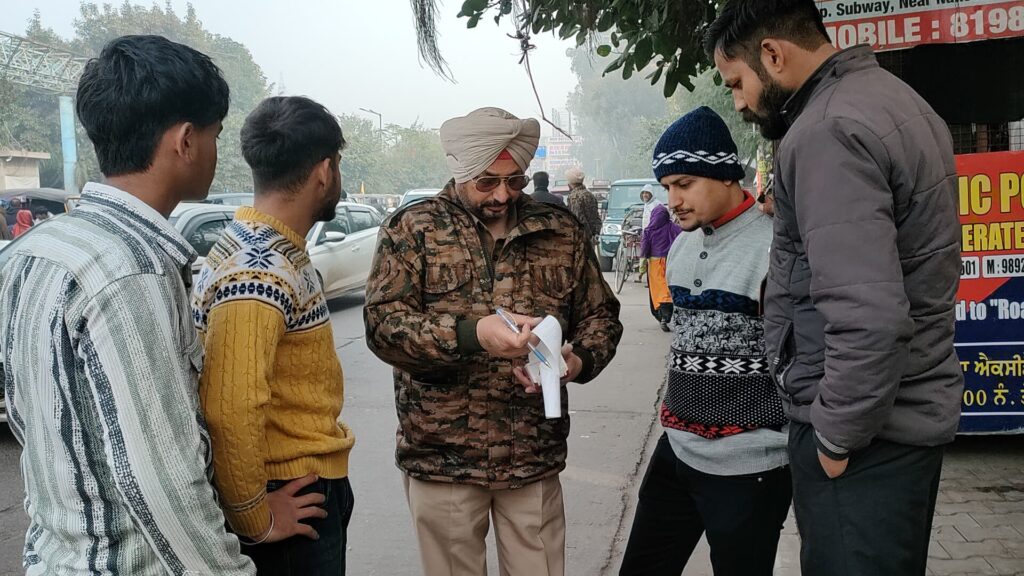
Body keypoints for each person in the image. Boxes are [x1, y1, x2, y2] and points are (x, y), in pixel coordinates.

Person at [707, 2, 962, 574]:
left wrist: (835, 439)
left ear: (772, 53)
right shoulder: (896, 101)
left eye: (737, 82)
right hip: (901, 421)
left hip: (865, 437)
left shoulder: (826, 130)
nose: (740, 102)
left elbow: (867, 313)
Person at [0, 35, 254, 575]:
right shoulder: (131, 270)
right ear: (186, 140)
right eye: (215, 135)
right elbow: (162, 482)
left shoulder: (37, 248)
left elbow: (30, 421)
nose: (214, 151)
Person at [364, 106, 623, 576]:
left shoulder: (559, 230)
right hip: (443, 457)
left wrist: (577, 360)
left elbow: (601, 316)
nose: (503, 194)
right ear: (461, 171)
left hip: (532, 454)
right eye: (487, 182)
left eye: (514, 180)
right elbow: (383, 327)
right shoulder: (413, 229)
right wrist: (471, 334)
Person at [619, 106, 790, 576]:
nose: (672, 200)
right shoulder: (682, 244)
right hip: (676, 449)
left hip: (750, 465)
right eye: (667, 187)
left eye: (684, 184)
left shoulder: (775, 248)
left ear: (726, 175)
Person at [191, 96, 356, 573]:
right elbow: (231, 405)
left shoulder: (262, 248)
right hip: (289, 489)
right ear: (325, 171)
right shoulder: (259, 269)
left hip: (297, 482)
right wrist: (254, 518)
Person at [639, 203, 681, 332]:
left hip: (655, 263)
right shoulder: (673, 227)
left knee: (658, 288)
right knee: (667, 286)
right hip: (671, 261)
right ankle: (667, 314)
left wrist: (642, 263)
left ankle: (662, 314)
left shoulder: (649, 230)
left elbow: (644, 248)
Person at [565, 166, 601, 240]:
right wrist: (595, 234)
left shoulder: (574, 197)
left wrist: (587, 236)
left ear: (570, 183)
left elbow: (579, 219)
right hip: (592, 236)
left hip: (581, 238)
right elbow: (597, 218)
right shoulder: (590, 195)